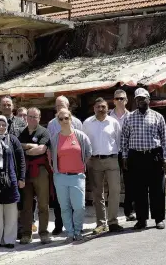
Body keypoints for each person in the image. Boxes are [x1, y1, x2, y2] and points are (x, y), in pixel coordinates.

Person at [121, 88, 166, 230]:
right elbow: (124, 138)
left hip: (154, 156)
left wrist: (165, 158)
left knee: (157, 190)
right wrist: (124, 156)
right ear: (135, 101)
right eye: (138, 99)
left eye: (143, 98)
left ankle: (159, 219)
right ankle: (141, 219)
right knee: (139, 190)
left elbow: (165, 138)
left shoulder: (157, 117)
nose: (140, 101)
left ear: (148, 99)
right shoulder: (129, 118)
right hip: (135, 157)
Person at [50, 108, 92, 243]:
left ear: (71, 118)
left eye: (66, 118)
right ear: (58, 121)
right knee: (65, 207)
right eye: (60, 119)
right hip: (61, 177)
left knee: (79, 206)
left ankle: (78, 231)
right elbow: (51, 157)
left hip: (77, 176)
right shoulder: (55, 138)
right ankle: (70, 233)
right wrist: (56, 171)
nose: (63, 121)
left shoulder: (80, 136)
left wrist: (80, 165)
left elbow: (88, 153)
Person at [83, 98, 123, 234]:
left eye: (103, 106)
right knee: (97, 193)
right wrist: (87, 160)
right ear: (94, 108)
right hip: (94, 161)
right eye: (98, 107)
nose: (101, 109)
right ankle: (101, 223)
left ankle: (113, 222)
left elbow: (118, 141)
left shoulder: (114, 122)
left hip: (112, 159)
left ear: (108, 108)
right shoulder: (87, 123)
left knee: (115, 190)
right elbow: (84, 142)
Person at [0, 116, 25, 249]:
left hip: (11, 181)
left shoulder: (12, 140)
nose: (2, 127)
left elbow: (21, 159)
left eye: (4, 125)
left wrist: (22, 178)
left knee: (11, 212)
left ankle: (9, 239)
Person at [47, 95, 83, 235]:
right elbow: (50, 145)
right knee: (60, 199)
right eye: (57, 106)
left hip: (75, 167)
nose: (60, 108)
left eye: (62, 105)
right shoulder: (51, 124)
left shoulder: (78, 123)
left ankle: (76, 226)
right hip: (59, 166)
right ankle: (59, 224)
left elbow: (83, 145)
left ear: (68, 106)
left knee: (76, 200)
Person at [18, 107, 51, 244]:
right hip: (25, 171)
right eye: (29, 116)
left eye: (34, 117)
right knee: (26, 204)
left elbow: (41, 149)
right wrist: (30, 145)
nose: (32, 119)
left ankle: (43, 232)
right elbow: (18, 146)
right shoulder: (22, 132)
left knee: (43, 203)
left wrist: (25, 150)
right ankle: (26, 233)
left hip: (40, 171)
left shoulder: (44, 131)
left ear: (39, 117)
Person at [109, 89, 135, 221]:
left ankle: (128, 211)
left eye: (122, 98)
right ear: (114, 101)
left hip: (127, 153)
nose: (120, 101)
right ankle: (111, 212)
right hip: (113, 153)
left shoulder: (131, 117)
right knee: (113, 183)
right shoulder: (107, 117)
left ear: (126, 100)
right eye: (117, 98)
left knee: (129, 182)